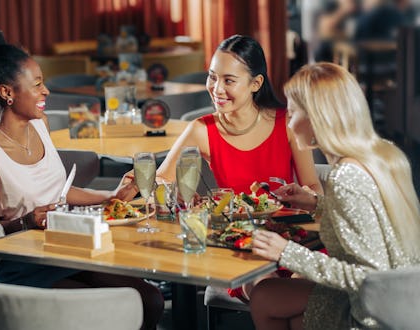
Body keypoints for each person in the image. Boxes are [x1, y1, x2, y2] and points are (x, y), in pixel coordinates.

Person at [0, 23, 162, 330]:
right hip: (23, 267)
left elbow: (58, 192)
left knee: (150, 298)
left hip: (66, 250)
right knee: (110, 310)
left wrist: (111, 197)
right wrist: (27, 221)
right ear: (7, 92)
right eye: (36, 85)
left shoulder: (40, 125)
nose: (45, 91)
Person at [249, 62, 420, 329]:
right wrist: (318, 204)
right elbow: (375, 223)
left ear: (317, 117)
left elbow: (370, 277)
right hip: (409, 302)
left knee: (264, 297)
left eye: (292, 113)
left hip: (373, 313)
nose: (289, 123)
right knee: (278, 292)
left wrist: (288, 252)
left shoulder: (345, 177)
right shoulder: (384, 153)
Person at [154, 34, 323, 195]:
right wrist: (171, 191)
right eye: (212, 77)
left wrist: (310, 196)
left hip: (285, 224)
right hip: (231, 224)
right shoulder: (202, 129)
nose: (217, 89)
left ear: (256, 84)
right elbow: (161, 179)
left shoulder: (287, 124)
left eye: (229, 81)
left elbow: (313, 186)